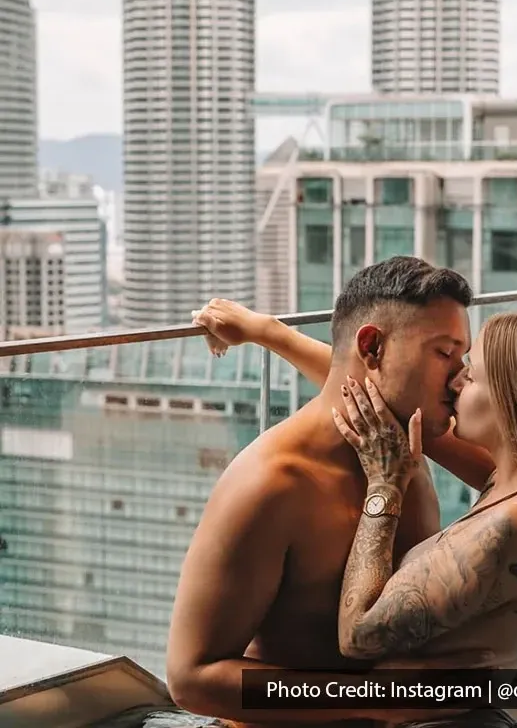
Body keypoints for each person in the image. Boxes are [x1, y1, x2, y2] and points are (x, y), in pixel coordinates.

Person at [192, 291, 517, 728]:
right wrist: (268, 332)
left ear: (515, 402)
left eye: (469, 375)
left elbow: (357, 634)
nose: (455, 383)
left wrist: (384, 487)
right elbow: (369, 397)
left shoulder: (511, 525)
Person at [167, 256, 497, 727]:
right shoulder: (271, 483)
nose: (460, 377)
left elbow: (516, 476)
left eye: (462, 357)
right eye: (444, 353)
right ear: (373, 347)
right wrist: (382, 702)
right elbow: (191, 679)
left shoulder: (405, 441)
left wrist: (270, 332)